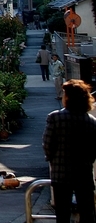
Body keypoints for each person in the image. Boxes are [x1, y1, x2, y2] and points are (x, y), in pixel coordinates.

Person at [43, 79, 96, 223]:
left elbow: (48, 144)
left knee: (62, 214)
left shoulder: (55, 117)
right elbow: (93, 149)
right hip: (84, 172)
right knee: (87, 213)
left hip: (60, 172)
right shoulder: (91, 121)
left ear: (68, 97)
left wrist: (52, 159)